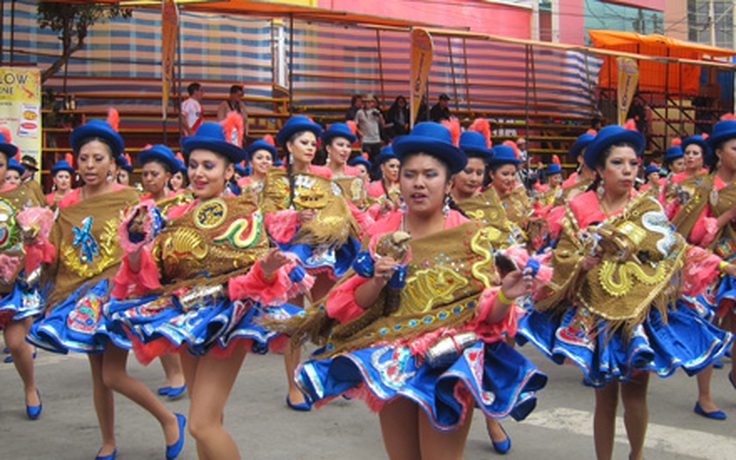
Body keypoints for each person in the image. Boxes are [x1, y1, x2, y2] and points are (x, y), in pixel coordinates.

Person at [281, 122, 548, 460]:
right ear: (399, 180)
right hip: (391, 360)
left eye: (430, 174)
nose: (419, 183)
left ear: (448, 182)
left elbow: (486, 318)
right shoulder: (382, 231)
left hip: (449, 363)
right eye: (410, 174)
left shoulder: (470, 234)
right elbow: (353, 307)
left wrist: (506, 295)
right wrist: (376, 280)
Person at [517, 124, 735, 460]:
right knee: (604, 397)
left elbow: (676, 248)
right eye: (618, 163)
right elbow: (560, 256)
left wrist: (722, 267)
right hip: (595, 312)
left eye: (633, 163)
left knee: (636, 394)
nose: (628, 170)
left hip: (638, 313)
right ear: (601, 169)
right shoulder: (580, 207)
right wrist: (582, 263)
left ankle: (637, 455)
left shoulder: (647, 207)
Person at [111, 120, 312, 459]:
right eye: (192, 165)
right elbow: (149, 278)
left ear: (229, 170)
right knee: (209, 420)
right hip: (185, 317)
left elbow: (255, 279)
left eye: (208, 166)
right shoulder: (172, 214)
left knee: (200, 424)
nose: (198, 174)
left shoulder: (245, 212)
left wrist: (264, 270)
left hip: (228, 317)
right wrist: (133, 248)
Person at [27, 117, 185, 460]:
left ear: (113, 163)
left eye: (98, 159)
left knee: (113, 375)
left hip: (117, 295)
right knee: (99, 376)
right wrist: (36, 239)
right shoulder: (66, 205)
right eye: (83, 158)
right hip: (80, 297)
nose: (89, 166)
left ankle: (170, 419)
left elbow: (147, 243)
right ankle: (109, 441)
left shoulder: (131, 198)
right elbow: (55, 253)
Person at [260, 115, 368, 411]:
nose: (310, 148)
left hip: (325, 253)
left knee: (331, 313)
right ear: (289, 146)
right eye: (303, 142)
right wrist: (295, 218)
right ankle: (293, 386)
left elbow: (344, 210)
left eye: (312, 143)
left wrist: (370, 226)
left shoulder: (325, 178)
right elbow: (267, 217)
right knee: (295, 321)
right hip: (292, 255)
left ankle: (330, 374)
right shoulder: (276, 179)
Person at [668, 116, 736, 421]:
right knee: (709, 328)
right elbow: (688, 232)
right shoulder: (701, 186)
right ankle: (705, 397)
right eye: (735, 148)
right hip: (711, 267)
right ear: (719, 152)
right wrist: (721, 219)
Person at [0, 129, 46, 421]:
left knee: (16, 343)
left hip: (10, 281)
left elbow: (35, 238)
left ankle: (30, 387)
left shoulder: (20, 199)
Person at [137, 144, 188, 399]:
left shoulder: (181, 202)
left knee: (170, 321)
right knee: (153, 323)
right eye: (144, 174)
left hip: (173, 272)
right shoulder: (140, 205)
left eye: (153, 174)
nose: (148, 179)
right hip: (146, 274)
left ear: (168, 176)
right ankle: (172, 374)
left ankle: (180, 374)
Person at [322, 122, 365, 208]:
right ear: (328, 148)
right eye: (340, 145)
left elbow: (360, 205)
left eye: (348, 146)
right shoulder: (319, 174)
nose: (345, 150)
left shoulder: (355, 174)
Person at [355, 94, 385, 166]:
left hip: (376, 139)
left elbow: (383, 124)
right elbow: (355, 124)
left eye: (369, 102)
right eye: (365, 102)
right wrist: (359, 132)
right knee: (366, 158)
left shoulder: (376, 112)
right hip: (366, 139)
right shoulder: (359, 112)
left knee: (376, 159)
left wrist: (380, 116)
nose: (367, 104)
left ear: (373, 103)